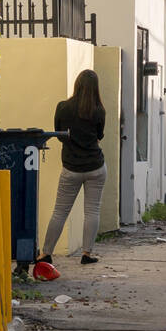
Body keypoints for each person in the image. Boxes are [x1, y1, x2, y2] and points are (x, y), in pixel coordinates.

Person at [34, 69, 108, 278]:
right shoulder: (98, 110)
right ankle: (87, 253)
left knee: (60, 211)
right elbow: (99, 136)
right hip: (95, 167)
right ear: (96, 89)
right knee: (92, 211)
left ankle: (46, 254)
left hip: (71, 168)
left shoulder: (63, 107)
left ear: (76, 85)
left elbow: (58, 134)